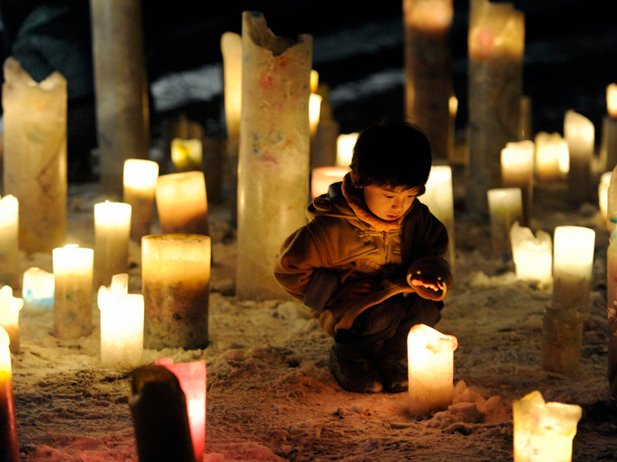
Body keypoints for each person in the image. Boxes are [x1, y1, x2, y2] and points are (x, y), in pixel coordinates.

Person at [273, 120, 452, 394]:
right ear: (358, 180)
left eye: (410, 195)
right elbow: (289, 269)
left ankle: (390, 357)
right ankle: (351, 357)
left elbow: (432, 249)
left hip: (401, 295)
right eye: (389, 194)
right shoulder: (330, 230)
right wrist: (335, 293)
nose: (399, 206)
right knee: (380, 315)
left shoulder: (417, 220)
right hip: (354, 309)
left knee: (426, 310)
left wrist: (426, 272)